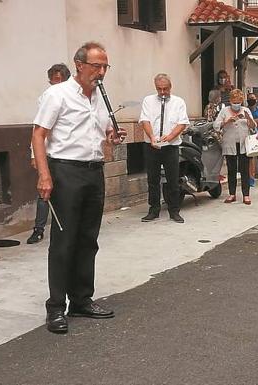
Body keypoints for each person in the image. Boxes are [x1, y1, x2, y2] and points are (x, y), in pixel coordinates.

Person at [32, 42, 127, 334]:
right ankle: (56, 307)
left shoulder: (100, 96)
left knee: (88, 238)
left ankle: (82, 300)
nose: (100, 72)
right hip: (65, 171)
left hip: (93, 171)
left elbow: (100, 131)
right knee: (64, 241)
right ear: (79, 65)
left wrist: (112, 135)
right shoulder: (56, 94)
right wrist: (44, 175)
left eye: (104, 67)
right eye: (96, 66)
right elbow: (38, 135)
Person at [27, 63, 71, 244]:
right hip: (49, 152)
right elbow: (38, 130)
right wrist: (34, 155)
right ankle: (38, 229)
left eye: (59, 81)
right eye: (53, 82)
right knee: (44, 191)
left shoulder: (74, 97)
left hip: (68, 156)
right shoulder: (47, 97)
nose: (56, 85)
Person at [140, 73, 189, 223]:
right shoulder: (148, 100)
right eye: (159, 89)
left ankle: (174, 211)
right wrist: (152, 137)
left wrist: (171, 136)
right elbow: (145, 120)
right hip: (152, 145)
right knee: (152, 179)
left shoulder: (178, 102)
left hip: (171, 146)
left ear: (170, 87)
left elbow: (182, 123)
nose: (162, 92)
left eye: (165, 89)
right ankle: (153, 210)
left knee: (172, 179)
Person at [213, 89, 256, 204]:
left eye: (239, 102)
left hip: (244, 144)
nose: (236, 104)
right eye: (234, 101)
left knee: (244, 170)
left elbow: (253, 127)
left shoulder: (246, 110)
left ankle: (246, 195)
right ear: (230, 100)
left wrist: (248, 118)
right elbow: (216, 126)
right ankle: (232, 194)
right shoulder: (224, 111)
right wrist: (227, 121)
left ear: (242, 101)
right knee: (231, 170)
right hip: (229, 144)